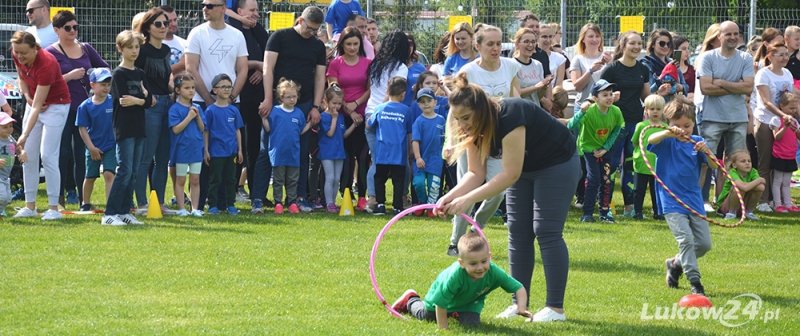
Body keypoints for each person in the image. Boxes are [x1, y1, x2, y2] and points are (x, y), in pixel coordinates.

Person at [436, 73, 580, 322]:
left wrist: (467, 199)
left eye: (466, 118)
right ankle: (519, 304)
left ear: (480, 109)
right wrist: (449, 197)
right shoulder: (472, 126)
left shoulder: (510, 114)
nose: (463, 125)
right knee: (518, 230)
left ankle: (556, 308)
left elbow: (510, 174)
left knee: (545, 229)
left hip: (557, 162)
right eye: (458, 119)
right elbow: (475, 172)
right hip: (524, 168)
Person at [447, 24, 521, 255]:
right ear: (477, 46)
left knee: (498, 191)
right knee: (465, 193)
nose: (496, 48)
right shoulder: (469, 72)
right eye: (490, 44)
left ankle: (476, 228)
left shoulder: (511, 66)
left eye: (499, 43)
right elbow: (455, 109)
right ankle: (455, 239)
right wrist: (450, 141)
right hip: (472, 137)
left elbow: (515, 98)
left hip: (499, 139)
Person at [256, 6, 326, 213]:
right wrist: (268, 98)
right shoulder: (279, 37)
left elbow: (320, 77)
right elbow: (268, 69)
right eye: (310, 28)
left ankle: (297, 198)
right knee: (265, 150)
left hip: (303, 104)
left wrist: (315, 106)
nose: (312, 33)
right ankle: (259, 198)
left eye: (316, 30)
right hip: (277, 103)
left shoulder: (317, 46)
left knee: (301, 153)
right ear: (300, 21)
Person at [648, 97, 716, 296]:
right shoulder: (666, 142)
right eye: (677, 125)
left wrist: (708, 152)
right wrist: (667, 132)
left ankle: (675, 263)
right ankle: (695, 281)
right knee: (685, 240)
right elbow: (650, 140)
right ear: (668, 124)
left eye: (687, 125)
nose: (682, 130)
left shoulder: (697, 142)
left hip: (694, 200)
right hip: (671, 201)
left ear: (694, 124)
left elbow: (714, 166)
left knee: (704, 244)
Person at [391, 233, 530, 329]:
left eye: (483, 261)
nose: (480, 267)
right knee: (425, 316)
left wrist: (522, 307)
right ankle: (411, 299)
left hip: (468, 303)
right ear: (462, 263)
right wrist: (443, 329)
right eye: (473, 264)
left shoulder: (494, 272)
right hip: (439, 302)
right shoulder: (455, 276)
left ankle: (455, 311)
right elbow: (440, 304)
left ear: (489, 257)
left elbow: (518, 288)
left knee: (472, 325)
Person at [44, 10, 110, 210]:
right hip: (62, 108)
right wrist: (69, 76)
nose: (73, 31)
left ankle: (84, 200)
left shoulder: (86, 48)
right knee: (62, 153)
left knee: (82, 153)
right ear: (56, 30)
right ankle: (59, 198)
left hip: (85, 109)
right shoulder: (49, 53)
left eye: (75, 27)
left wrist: (92, 76)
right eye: (67, 28)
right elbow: (46, 83)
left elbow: (104, 71)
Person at [11, 31, 70, 220]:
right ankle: (30, 206)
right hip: (34, 101)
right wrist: (27, 96)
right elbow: (21, 79)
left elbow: (39, 106)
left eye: (24, 53)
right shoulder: (17, 54)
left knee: (48, 155)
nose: (20, 56)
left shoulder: (47, 63)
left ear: (35, 48)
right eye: (17, 52)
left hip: (56, 104)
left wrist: (24, 133)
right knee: (28, 155)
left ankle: (54, 208)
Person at [697, 21, 754, 212]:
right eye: (728, 34)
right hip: (712, 118)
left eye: (736, 34)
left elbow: (748, 87)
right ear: (719, 36)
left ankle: (729, 207)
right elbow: (705, 88)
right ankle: (699, 201)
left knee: (736, 164)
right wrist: (734, 86)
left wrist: (719, 82)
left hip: (738, 118)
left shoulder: (745, 58)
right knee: (705, 162)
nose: (733, 37)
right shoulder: (707, 57)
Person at [101, 30, 153, 226]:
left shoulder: (140, 73)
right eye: (130, 47)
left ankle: (124, 211)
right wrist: (143, 98)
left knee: (134, 172)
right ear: (120, 49)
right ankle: (109, 213)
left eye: (137, 47)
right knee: (124, 170)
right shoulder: (118, 74)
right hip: (124, 128)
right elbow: (124, 100)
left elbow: (149, 101)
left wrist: (139, 100)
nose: (134, 51)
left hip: (139, 126)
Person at [600, 31, 653, 217]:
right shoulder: (611, 69)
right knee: (611, 165)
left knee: (631, 165)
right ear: (623, 45)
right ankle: (606, 207)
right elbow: (597, 96)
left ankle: (629, 208)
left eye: (639, 43)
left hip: (635, 122)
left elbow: (645, 96)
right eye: (632, 43)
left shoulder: (643, 69)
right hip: (615, 123)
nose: (637, 47)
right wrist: (610, 98)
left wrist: (656, 97)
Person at [132, 7, 174, 216]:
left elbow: (166, 79)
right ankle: (141, 203)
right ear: (147, 27)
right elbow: (136, 77)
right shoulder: (141, 49)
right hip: (150, 108)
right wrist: (147, 97)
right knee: (145, 157)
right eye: (158, 24)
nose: (163, 27)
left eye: (165, 23)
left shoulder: (166, 50)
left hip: (168, 105)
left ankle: (159, 202)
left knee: (163, 159)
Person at [562, 80, 623, 223]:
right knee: (594, 179)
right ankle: (587, 213)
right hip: (588, 151)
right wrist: (581, 111)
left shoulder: (616, 111)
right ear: (595, 98)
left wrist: (605, 148)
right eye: (604, 95)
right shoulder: (589, 112)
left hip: (604, 150)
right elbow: (571, 125)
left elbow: (617, 129)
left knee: (606, 180)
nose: (609, 97)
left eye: (610, 94)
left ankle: (604, 213)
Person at [228, 0, 269, 208]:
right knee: (236, 145)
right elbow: (232, 60)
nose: (256, 15)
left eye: (257, 11)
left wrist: (262, 71)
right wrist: (255, 65)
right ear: (240, 11)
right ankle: (231, 189)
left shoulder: (259, 32)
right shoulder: (232, 31)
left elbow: (270, 57)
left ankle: (257, 192)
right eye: (252, 11)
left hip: (257, 97)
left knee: (255, 147)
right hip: (236, 98)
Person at [364, 30, 410, 213]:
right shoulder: (401, 68)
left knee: (376, 160)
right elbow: (393, 94)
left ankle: (374, 200)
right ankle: (401, 199)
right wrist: (382, 110)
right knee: (401, 161)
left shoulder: (375, 64)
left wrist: (376, 111)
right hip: (390, 117)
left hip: (371, 113)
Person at [325, 26, 371, 210]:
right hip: (341, 115)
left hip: (362, 115)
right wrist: (348, 109)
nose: (352, 47)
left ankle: (362, 196)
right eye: (348, 44)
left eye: (355, 44)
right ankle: (345, 194)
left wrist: (357, 104)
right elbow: (333, 89)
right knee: (346, 157)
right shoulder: (336, 63)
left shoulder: (368, 63)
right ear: (341, 44)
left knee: (362, 156)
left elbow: (369, 89)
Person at [753, 39, 796, 213]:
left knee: (780, 161)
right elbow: (766, 101)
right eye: (781, 55)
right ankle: (763, 200)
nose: (785, 57)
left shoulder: (787, 74)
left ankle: (776, 200)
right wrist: (783, 115)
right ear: (770, 56)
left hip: (783, 121)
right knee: (765, 162)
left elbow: (789, 99)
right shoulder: (763, 74)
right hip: (766, 121)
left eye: (786, 54)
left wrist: (793, 115)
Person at [265, 78, 312, 214]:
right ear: (281, 97)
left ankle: (291, 202)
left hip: (293, 153)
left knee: (292, 180)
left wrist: (310, 124)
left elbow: (301, 130)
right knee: (278, 180)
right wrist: (263, 119)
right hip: (278, 153)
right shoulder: (275, 111)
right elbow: (269, 129)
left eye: (294, 96)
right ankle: (278, 203)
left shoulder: (298, 113)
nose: (292, 99)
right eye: (288, 97)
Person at [367, 77, 411, 216]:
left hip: (382, 152)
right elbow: (409, 132)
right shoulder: (406, 110)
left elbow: (369, 125)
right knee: (398, 180)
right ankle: (397, 206)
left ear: (387, 92)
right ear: (403, 94)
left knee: (379, 179)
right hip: (399, 153)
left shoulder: (380, 108)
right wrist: (409, 149)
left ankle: (380, 205)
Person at [76, 68, 116, 212]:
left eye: (108, 84)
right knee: (90, 176)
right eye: (102, 84)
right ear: (92, 85)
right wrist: (91, 148)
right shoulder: (85, 106)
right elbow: (82, 129)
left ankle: (110, 205)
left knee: (109, 173)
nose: (106, 87)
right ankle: (85, 203)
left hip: (111, 146)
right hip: (93, 146)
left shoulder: (113, 102)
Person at [203, 74, 243, 215]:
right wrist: (206, 150)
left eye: (229, 87)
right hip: (216, 151)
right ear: (215, 90)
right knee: (215, 179)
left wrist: (240, 150)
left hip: (231, 151)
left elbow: (238, 131)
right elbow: (206, 131)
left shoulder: (234, 110)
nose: (226, 90)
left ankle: (230, 204)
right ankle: (213, 205)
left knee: (231, 179)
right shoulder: (210, 111)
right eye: (223, 87)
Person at [169, 73, 206, 217]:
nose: (191, 91)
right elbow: (176, 129)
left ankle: (195, 208)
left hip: (196, 149)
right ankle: (181, 208)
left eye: (193, 88)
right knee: (181, 179)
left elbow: (202, 128)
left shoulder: (197, 107)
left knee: (195, 179)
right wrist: (189, 117)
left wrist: (196, 117)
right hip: (181, 150)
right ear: (178, 90)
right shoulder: (175, 109)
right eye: (187, 88)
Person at [318, 85, 358, 213]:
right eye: (334, 103)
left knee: (336, 178)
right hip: (327, 152)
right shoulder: (323, 116)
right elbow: (330, 133)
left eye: (339, 104)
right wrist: (334, 118)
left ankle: (333, 202)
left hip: (339, 152)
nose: (337, 106)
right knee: (330, 178)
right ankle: (329, 202)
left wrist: (354, 125)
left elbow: (343, 134)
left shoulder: (340, 117)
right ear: (326, 101)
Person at [631, 95, 668, 220]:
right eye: (652, 109)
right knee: (639, 189)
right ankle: (637, 212)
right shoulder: (641, 126)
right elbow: (635, 142)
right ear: (646, 110)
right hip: (642, 163)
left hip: (657, 164)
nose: (655, 111)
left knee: (656, 190)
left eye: (658, 109)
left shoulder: (665, 128)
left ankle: (658, 212)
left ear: (663, 110)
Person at [411, 88, 446, 216]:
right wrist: (418, 157)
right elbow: (415, 141)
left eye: (429, 101)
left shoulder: (441, 120)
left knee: (434, 185)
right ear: (418, 105)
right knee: (418, 183)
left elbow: (445, 138)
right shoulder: (418, 122)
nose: (426, 104)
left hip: (436, 159)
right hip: (421, 159)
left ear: (435, 102)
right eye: (422, 102)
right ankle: (422, 202)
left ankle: (432, 207)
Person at [569, 23, 613, 116]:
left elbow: (615, 82)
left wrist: (611, 64)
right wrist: (590, 71)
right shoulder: (578, 59)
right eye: (590, 36)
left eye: (597, 36)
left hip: (605, 109)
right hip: (584, 108)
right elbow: (577, 87)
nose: (594, 39)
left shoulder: (608, 58)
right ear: (583, 39)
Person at [770, 92, 800, 213]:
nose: (793, 111)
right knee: (777, 181)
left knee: (787, 181)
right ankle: (778, 204)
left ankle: (788, 203)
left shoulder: (795, 121)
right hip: (779, 154)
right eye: (791, 108)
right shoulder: (776, 120)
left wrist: (795, 129)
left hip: (790, 154)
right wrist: (785, 126)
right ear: (782, 106)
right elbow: (777, 137)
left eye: (795, 108)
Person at [715, 150, 766, 219]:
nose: (747, 163)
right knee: (738, 188)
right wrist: (759, 180)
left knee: (758, 187)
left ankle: (749, 212)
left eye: (749, 161)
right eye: (743, 161)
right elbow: (743, 187)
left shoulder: (753, 171)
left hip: (742, 206)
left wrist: (747, 185)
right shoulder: (732, 172)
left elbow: (761, 187)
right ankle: (731, 213)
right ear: (734, 165)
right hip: (727, 207)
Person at [641, 29, 688, 96]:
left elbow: (685, 86)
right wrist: (664, 75)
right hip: (657, 104)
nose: (666, 46)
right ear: (653, 44)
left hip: (674, 104)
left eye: (669, 44)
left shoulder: (672, 62)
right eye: (662, 43)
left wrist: (681, 87)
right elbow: (648, 93)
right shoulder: (646, 64)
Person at [512, 28, 551, 107]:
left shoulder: (538, 64)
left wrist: (544, 86)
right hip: (520, 111)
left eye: (533, 42)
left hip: (535, 110)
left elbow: (538, 96)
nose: (530, 45)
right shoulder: (511, 65)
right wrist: (535, 87)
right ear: (517, 44)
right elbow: (515, 94)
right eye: (526, 41)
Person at [160, 5, 187, 74]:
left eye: (175, 20)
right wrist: (180, 65)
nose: (174, 24)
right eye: (169, 21)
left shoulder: (184, 43)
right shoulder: (155, 44)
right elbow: (158, 73)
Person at [0, 114, 17, 219]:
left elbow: (17, 147)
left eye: (10, 126)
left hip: (6, 175)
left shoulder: (10, 139)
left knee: (8, 199)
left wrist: (22, 152)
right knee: (2, 197)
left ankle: (1, 212)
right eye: (5, 127)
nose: (9, 129)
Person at [403, 33, 427, 107]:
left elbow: (429, 85)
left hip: (416, 107)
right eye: (404, 43)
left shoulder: (420, 68)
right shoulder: (393, 67)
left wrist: (421, 86)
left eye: (410, 43)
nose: (407, 46)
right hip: (398, 108)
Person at [538, 24, 566, 88]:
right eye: (544, 37)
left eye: (550, 36)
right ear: (537, 37)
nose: (548, 40)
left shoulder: (560, 58)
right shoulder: (531, 57)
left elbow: (558, 85)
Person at [673, 35, 695, 100]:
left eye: (688, 48)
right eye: (683, 49)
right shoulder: (667, 69)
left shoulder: (693, 70)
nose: (687, 51)